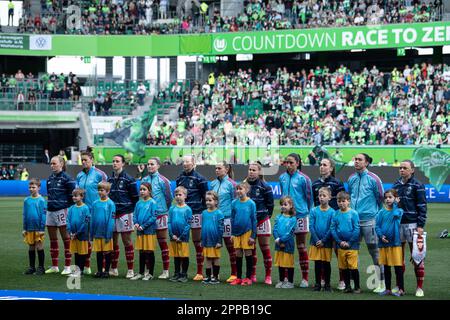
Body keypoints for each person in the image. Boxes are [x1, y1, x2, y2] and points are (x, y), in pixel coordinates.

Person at [348, 153, 385, 293]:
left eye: (359, 160)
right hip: (354, 222)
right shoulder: (351, 178)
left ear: (367, 162)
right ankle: (352, 283)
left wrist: (379, 218)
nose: (356, 161)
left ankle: (381, 283)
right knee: (351, 252)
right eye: (355, 159)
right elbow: (350, 195)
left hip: (370, 221)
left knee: (375, 252)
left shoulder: (374, 179)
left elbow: (381, 197)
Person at [393, 160, 427, 297]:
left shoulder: (418, 185)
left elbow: (422, 206)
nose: (402, 170)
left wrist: (420, 225)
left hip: (413, 225)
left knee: (417, 257)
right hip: (398, 225)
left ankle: (419, 288)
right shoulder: (395, 184)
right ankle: (399, 286)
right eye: (400, 168)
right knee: (397, 257)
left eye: (405, 168)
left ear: (412, 170)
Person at [279, 153, 313, 287]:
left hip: (300, 216)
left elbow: (309, 198)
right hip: (286, 216)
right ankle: (286, 278)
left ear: (298, 163)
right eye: (286, 162)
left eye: (291, 162)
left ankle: (305, 278)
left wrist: (307, 213)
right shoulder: (282, 177)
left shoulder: (304, 179)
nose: (288, 165)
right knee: (286, 246)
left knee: (301, 246)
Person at [311, 158, 346, 289]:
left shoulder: (337, 183)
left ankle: (343, 280)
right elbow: (315, 204)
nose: (322, 167)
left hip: (335, 223)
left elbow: (343, 202)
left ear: (331, 168)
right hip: (321, 223)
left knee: (338, 252)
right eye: (320, 165)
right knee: (321, 255)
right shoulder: (315, 184)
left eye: (325, 165)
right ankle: (320, 281)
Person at [175, 155, 209, 281]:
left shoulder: (200, 179)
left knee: (197, 242)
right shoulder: (179, 177)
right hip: (181, 214)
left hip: (196, 213)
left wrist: (204, 213)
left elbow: (205, 198)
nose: (185, 163)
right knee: (181, 241)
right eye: (184, 161)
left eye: (188, 161)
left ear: (193, 163)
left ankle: (200, 272)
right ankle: (181, 272)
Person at [76, 147, 108, 274]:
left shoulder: (100, 174)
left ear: (92, 160)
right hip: (83, 212)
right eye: (82, 160)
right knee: (84, 240)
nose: (83, 162)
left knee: (99, 240)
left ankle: (103, 269)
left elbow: (106, 191)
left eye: (86, 160)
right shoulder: (79, 175)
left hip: (97, 212)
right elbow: (77, 192)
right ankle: (86, 266)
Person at [108, 155, 139, 278]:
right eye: (113, 161)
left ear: (123, 164)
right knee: (113, 243)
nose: (114, 163)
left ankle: (130, 270)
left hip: (125, 214)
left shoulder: (129, 179)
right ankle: (114, 268)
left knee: (127, 241)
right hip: (113, 215)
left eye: (117, 161)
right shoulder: (109, 179)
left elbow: (135, 199)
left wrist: (132, 213)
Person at [142, 157, 172, 279]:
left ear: (158, 166)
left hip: (161, 215)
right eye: (148, 164)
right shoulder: (144, 179)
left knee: (162, 243)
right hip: (148, 217)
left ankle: (166, 271)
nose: (149, 166)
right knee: (148, 245)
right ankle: (148, 271)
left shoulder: (163, 180)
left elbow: (169, 198)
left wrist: (163, 210)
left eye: (152, 164)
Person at [45, 156, 76, 275]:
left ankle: (67, 266)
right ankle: (54, 266)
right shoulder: (49, 179)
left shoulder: (68, 178)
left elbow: (72, 196)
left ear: (61, 164)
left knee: (66, 240)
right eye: (51, 164)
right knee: (53, 240)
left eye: (54, 163)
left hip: (62, 211)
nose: (52, 165)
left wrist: (68, 210)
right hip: (50, 211)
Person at [245, 161, 274, 285]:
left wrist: (265, 216)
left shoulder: (265, 186)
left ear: (259, 172)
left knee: (265, 248)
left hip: (262, 220)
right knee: (252, 249)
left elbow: (271, 205)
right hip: (249, 223)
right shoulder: (244, 186)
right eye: (250, 170)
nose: (251, 172)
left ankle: (268, 275)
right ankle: (253, 274)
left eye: (254, 170)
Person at [210, 161, 237, 283]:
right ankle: (215, 274)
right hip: (214, 219)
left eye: (219, 168)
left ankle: (234, 273)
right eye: (215, 168)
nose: (216, 170)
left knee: (230, 247)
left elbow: (235, 203)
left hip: (227, 219)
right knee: (214, 246)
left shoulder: (232, 184)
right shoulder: (213, 183)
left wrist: (233, 220)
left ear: (226, 169)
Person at [375, 189, 405, 296]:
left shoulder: (399, 211)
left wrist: (396, 204)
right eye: (386, 197)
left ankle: (401, 289)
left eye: (390, 197)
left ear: (395, 199)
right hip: (384, 244)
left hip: (395, 243)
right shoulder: (381, 213)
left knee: (398, 267)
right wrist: (381, 236)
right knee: (386, 267)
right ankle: (388, 289)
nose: (388, 199)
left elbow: (396, 215)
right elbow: (377, 226)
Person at [331, 191, 361, 294]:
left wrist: (350, 242)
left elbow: (357, 229)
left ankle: (357, 287)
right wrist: (339, 242)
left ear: (349, 201)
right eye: (339, 201)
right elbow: (333, 229)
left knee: (353, 267)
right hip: (341, 246)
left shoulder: (353, 213)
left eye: (343, 201)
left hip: (352, 246)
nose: (341, 203)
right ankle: (347, 286)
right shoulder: (336, 213)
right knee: (343, 267)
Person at [229, 182, 257, 286]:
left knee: (248, 254)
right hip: (236, 232)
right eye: (237, 189)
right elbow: (232, 218)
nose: (238, 191)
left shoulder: (251, 203)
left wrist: (253, 236)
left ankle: (248, 277)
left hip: (247, 232)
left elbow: (254, 220)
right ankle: (239, 277)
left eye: (241, 189)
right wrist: (232, 233)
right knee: (238, 254)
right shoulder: (234, 203)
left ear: (247, 190)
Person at [309, 187, 335, 292]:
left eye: (324, 196)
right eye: (320, 196)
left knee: (326, 263)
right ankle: (318, 284)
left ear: (329, 198)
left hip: (326, 242)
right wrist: (316, 240)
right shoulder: (314, 210)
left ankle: (327, 284)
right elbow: (311, 226)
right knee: (317, 263)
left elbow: (331, 228)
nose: (321, 198)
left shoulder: (332, 212)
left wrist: (323, 240)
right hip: (315, 242)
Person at [130, 182, 157, 281]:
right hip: (140, 231)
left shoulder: (152, 202)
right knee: (141, 251)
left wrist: (144, 226)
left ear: (149, 191)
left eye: (144, 189)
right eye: (140, 189)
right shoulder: (138, 203)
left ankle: (150, 273)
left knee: (149, 251)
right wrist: (136, 223)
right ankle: (141, 272)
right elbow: (135, 215)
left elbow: (153, 217)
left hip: (149, 231)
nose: (142, 191)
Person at [91, 182, 115, 278]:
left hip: (106, 234)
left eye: (102, 190)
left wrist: (108, 234)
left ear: (108, 191)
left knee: (107, 252)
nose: (100, 192)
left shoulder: (110, 204)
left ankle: (107, 271)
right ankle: (99, 270)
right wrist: (92, 233)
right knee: (99, 252)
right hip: (97, 233)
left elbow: (111, 219)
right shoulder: (95, 203)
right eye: (99, 190)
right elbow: (92, 218)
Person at [22, 179, 46, 275]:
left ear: (39, 188)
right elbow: (24, 214)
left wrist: (42, 229)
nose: (31, 189)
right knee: (31, 247)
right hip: (29, 228)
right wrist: (24, 228)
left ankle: (41, 268)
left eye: (33, 187)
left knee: (39, 246)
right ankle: (31, 267)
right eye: (30, 187)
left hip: (38, 228)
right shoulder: (26, 200)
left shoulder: (41, 200)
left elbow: (43, 215)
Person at [168, 186, 192, 283]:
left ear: (185, 196)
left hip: (183, 238)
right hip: (173, 237)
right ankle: (176, 273)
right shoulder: (172, 209)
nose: (178, 197)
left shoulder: (188, 209)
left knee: (184, 256)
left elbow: (188, 224)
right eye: (176, 195)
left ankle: (184, 274)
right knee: (176, 256)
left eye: (180, 195)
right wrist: (171, 234)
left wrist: (181, 236)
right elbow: (169, 222)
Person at [273, 196, 297, 289]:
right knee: (280, 263)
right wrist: (277, 239)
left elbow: (290, 233)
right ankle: (282, 280)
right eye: (282, 204)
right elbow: (275, 230)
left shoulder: (293, 219)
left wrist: (281, 240)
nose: (283, 206)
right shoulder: (278, 217)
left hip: (288, 245)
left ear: (291, 206)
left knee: (288, 264)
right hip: (278, 244)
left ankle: (290, 282)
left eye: (285, 204)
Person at [201, 191, 224, 284]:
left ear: (216, 202)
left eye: (210, 200)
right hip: (206, 240)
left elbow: (221, 228)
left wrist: (219, 241)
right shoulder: (204, 213)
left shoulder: (219, 213)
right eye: (206, 200)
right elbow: (203, 226)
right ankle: (208, 276)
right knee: (208, 258)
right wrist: (202, 239)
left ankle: (215, 276)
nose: (208, 202)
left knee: (215, 258)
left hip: (215, 240)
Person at [67, 188, 91, 277]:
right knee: (76, 252)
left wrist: (77, 232)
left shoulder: (85, 208)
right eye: (73, 196)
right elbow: (68, 220)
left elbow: (86, 222)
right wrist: (70, 232)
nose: (74, 197)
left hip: (82, 235)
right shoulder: (71, 208)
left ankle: (80, 271)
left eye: (76, 196)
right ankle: (76, 271)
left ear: (82, 197)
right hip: (73, 235)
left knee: (82, 253)